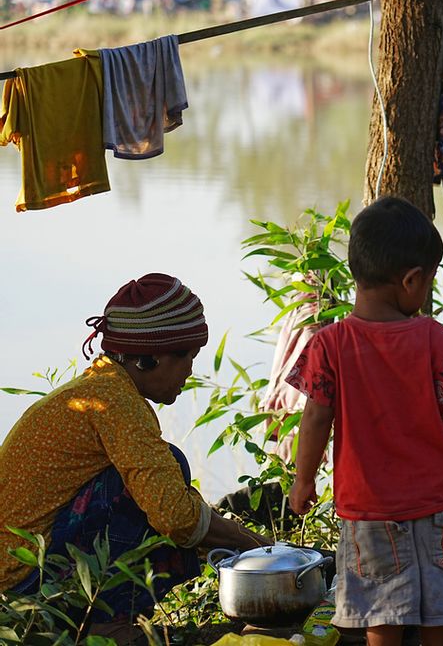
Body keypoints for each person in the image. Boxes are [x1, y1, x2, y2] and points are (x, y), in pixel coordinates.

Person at [0, 273, 272, 644]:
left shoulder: (102, 387)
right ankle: (106, 624)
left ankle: (107, 616)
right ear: (151, 357)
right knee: (142, 482)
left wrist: (239, 540)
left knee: (163, 468)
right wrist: (256, 547)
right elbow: (174, 515)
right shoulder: (115, 402)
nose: (191, 371)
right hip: (25, 586)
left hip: (22, 576)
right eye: (187, 357)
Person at [286, 196, 443, 646]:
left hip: (370, 512)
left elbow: (315, 417)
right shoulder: (432, 336)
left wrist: (302, 480)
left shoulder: (329, 344)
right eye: (426, 282)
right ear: (410, 279)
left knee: (380, 615)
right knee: (440, 615)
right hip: (441, 502)